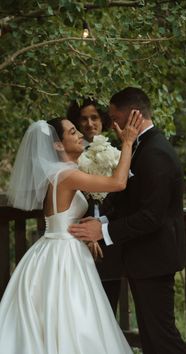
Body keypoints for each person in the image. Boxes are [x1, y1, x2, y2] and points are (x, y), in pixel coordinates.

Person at [0, 112, 143, 354]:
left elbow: (61, 217)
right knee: (73, 315)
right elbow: (118, 183)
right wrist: (128, 142)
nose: (80, 135)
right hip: (64, 256)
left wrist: (82, 229)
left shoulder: (58, 173)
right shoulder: (66, 175)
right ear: (57, 144)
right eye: (72, 132)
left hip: (56, 246)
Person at [69, 87, 186, 354]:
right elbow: (130, 202)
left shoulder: (155, 151)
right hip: (144, 260)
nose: (112, 124)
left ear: (133, 115)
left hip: (155, 260)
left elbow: (151, 216)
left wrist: (104, 231)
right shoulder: (140, 146)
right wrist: (103, 221)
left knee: (162, 338)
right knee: (151, 337)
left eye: (114, 116)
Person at [67, 98, 123, 314]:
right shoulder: (70, 157)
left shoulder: (119, 153)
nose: (90, 123)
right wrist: (86, 232)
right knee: (81, 304)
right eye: (83, 119)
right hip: (78, 237)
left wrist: (101, 228)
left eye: (94, 117)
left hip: (111, 237)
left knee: (109, 302)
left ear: (103, 120)